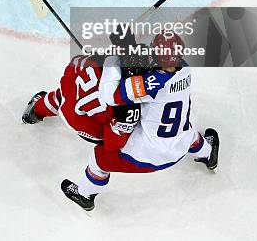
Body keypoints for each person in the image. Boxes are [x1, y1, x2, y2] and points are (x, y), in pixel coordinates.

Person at [60, 32, 220, 211]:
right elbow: (150, 70)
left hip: (148, 156)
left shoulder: (152, 83)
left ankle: (85, 194)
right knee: (188, 133)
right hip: (181, 143)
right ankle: (208, 155)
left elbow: (112, 96)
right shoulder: (185, 69)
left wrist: (114, 59)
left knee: (99, 159)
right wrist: (129, 51)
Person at [22, 53, 140, 149]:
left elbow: (77, 61)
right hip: (78, 119)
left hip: (73, 83)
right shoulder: (127, 104)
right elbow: (114, 143)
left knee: (65, 95)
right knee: (121, 136)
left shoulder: (111, 58)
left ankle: (36, 109)